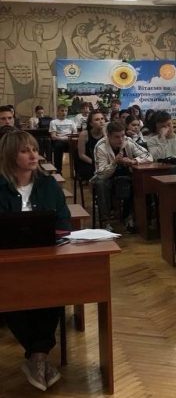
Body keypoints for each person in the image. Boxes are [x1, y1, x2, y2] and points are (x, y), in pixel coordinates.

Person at [0, 130, 70, 391]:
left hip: (46, 257)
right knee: (11, 291)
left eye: (34, 149)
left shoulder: (48, 184)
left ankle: (37, 356)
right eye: (25, 151)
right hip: (8, 262)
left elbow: (63, 221)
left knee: (55, 287)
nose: (33, 155)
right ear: (10, 156)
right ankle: (39, 356)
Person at [92, 121, 153, 232]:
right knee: (101, 184)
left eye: (122, 136)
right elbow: (101, 174)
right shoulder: (100, 146)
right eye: (116, 137)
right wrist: (114, 163)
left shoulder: (128, 141)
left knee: (138, 181)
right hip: (107, 177)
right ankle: (105, 221)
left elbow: (148, 156)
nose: (120, 140)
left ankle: (131, 217)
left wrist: (133, 161)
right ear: (108, 136)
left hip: (126, 174)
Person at [75, 109, 106, 181]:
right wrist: (95, 163)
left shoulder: (106, 133)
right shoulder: (84, 134)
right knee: (97, 173)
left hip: (102, 161)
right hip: (88, 162)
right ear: (91, 124)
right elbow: (81, 155)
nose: (101, 121)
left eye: (102, 119)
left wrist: (105, 134)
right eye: (97, 119)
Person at [48, 104, 76, 173]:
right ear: (58, 112)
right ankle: (58, 170)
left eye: (66, 111)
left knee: (79, 147)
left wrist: (69, 139)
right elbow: (53, 136)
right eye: (62, 111)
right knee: (58, 146)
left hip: (70, 141)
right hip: (59, 141)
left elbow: (75, 134)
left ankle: (77, 171)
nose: (64, 113)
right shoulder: (53, 122)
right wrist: (63, 138)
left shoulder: (71, 122)